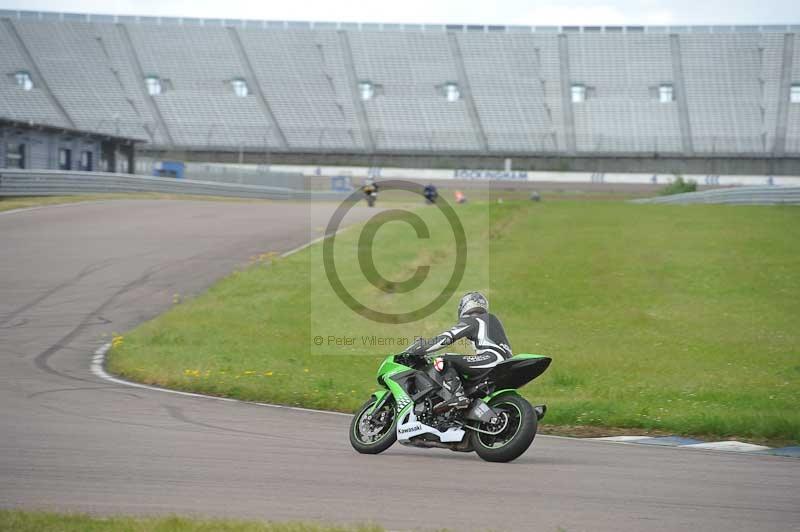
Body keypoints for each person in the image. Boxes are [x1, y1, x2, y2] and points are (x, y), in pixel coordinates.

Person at [402, 292, 512, 412]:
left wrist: (421, 348)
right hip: (505, 361)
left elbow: (448, 337)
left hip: (492, 358)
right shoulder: (491, 320)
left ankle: (457, 396)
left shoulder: (474, 319)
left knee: (444, 359)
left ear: (465, 306)